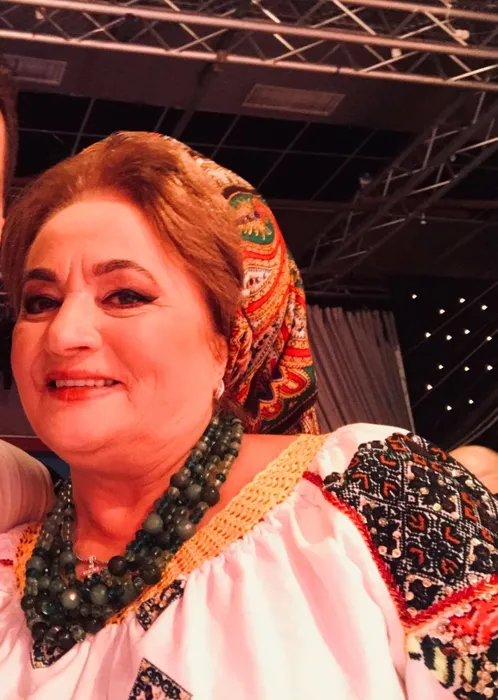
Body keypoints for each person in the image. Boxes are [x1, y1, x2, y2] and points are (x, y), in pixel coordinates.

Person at [0, 132, 497, 700]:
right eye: (40, 302)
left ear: (226, 342)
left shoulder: (371, 493)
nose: (63, 334)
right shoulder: (13, 555)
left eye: (126, 296)